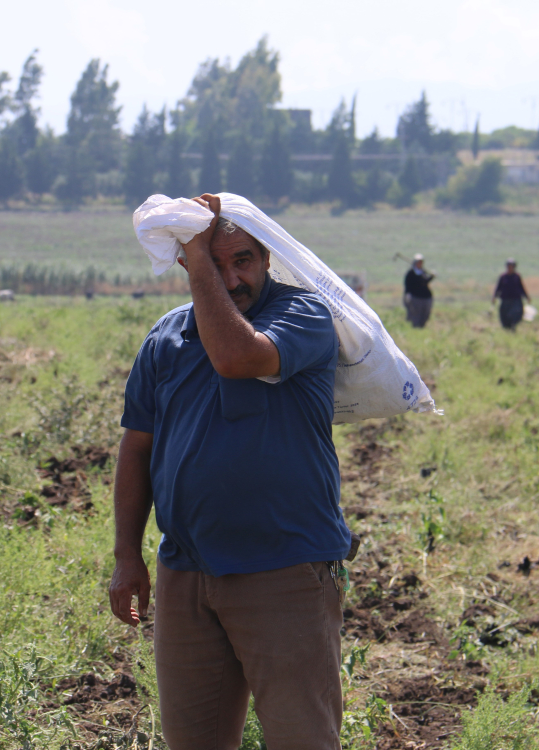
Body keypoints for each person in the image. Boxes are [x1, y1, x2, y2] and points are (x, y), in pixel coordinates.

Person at [110, 194, 351, 750]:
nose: (231, 276)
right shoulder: (165, 338)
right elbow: (137, 448)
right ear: (185, 266)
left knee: (302, 739)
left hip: (284, 570)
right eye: (211, 263)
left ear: (266, 257)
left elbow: (237, 358)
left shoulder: (302, 316)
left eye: (241, 259)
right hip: (186, 572)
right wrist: (128, 554)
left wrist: (199, 254)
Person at [493, 258, 531, 330]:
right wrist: (494, 297)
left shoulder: (517, 277)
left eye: (511, 266)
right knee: (504, 316)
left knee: (516, 315)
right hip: (505, 301)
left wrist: (527, 297)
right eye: (508, 266)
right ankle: (507, 330)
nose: (510, 268)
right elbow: (498, 288)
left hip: (516, 301)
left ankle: (513, 327)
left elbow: (521, 287)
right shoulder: (503, 277)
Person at [403, 253, 435, 328]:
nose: (420, 264)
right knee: (416, 314)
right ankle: (416, 328)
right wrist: (407, 295)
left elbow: (425, 281)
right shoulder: (411, 273)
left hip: (426, 297)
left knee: (425, 314)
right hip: (416, 297)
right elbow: (409, 285)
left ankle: (422, 327)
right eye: (419, 262)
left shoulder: (423, 272)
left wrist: (431, 277)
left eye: (421, 262)